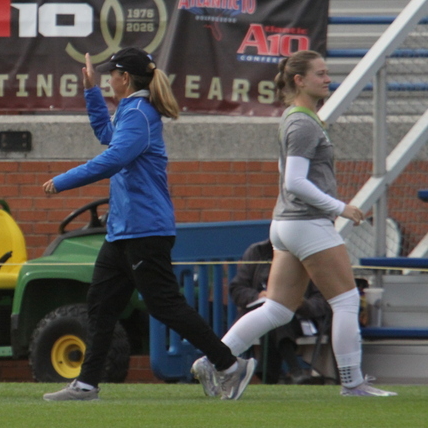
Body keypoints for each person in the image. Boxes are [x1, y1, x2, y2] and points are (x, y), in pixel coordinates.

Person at [41, 48, 255, 402]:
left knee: (164, 304)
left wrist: (63, 180)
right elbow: (107, 136)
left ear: (125, 79)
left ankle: (230, 366)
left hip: (146, 230)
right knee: (100, 305)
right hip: (124, 231)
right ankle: (87, 384)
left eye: (111, 75)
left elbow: (113, 158)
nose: (109, 79)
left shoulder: (139, 113)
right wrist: (92, 91)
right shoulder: (132, 110)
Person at [191, 50, 397, 397]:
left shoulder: (298, 118)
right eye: (320, 73)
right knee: (346, 301)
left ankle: (215, 360)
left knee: (277, 308)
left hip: (287, 225)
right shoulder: (301, 122)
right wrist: (340, 207)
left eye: (327, 72)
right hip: (306, 223)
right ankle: (353, 383)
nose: (327, 78)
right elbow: (294, 181)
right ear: (299, 80)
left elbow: (287, 175)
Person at [230, 239, 331, 384]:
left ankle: (267, 375)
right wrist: (257, 296)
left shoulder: (312, 255)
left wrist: (301, 303)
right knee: (273, 312)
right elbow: (237, 288)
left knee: (278, 313)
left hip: (300, 317)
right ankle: (295, 370)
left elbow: (323, 300)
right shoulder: (258, 251)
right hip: (259, 311)